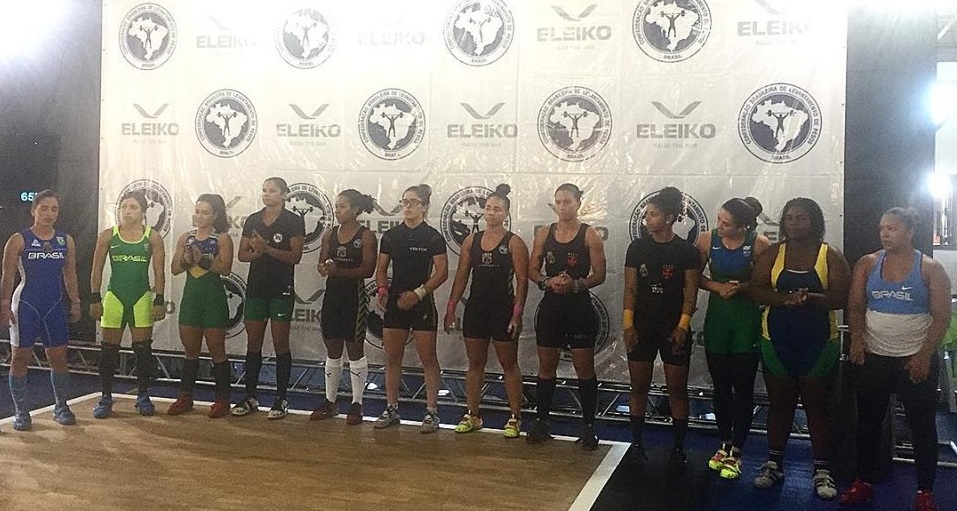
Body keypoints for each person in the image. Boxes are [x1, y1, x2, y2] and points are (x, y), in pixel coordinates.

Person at [840, 208, 950, 511]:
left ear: (910, 232)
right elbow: (855, 305)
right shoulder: (868, 263)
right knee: (868, 423)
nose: (885, 234)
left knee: (922, 427)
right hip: (875, 357)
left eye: (892, 229)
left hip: (913, 359)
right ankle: (863, 481)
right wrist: (857, 340)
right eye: (882, 228)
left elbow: (942, 316)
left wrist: (924, 355)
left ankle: (925, 491)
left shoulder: (929, 269)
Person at [748, 197, 850, 499]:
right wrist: (785, 299)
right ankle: (774, 464)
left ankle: (822, 470)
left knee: (817, 408)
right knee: (780, 405)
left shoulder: (830, 255)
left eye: (801, 218)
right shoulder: (773, 253)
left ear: (814, 222)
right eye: (789, 217)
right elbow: (756, 290)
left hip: (819, 343)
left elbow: (841, 298)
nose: (794, 223)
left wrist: (810, 299)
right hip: (776, 341)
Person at [623, 187, 701, 469]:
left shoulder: (687, 251)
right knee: (639, 386)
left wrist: (683, 326)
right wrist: (628, 325)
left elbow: (691, 293)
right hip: (642, 326)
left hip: (673, 327)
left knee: (677, 390)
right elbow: (631, 289)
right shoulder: (637, 248)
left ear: (668, 218)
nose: (647, 219)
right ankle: (636, 444)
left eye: (653, 215)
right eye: (646, 215)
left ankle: (678, 448)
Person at [443, 184, 529, 438]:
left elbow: (522, 281)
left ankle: (515, 417)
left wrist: (517, 313)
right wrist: (451, 307)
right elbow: (461, 276)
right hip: (476, 309)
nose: (491, 213)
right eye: (488, 208)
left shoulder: (514, 243)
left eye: (497, 209)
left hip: (503, 310)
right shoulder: (472, 241)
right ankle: (473, 414)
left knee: (509, 364)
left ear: (506, 213)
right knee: (474, 363)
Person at [527, 183, 606, 449]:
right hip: (551, 307)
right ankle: (542, 422)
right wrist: (546, 281)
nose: (562, 207)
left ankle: (588, 427)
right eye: (559, 202)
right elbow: (532, 270)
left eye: (568, 202)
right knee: (546, 366)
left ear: (578, 204)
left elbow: (600, 274)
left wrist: (575, 285)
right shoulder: (544, 233)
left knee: (584, 368)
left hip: (579, 308)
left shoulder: (589, 234)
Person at [696, 197, 771, 479]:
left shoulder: (759, 244)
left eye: (726, 223)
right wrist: (716, 286)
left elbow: (768, 283)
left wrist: (744, 287)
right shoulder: (707, 239)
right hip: (718, 320)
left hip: (745, 321)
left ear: (742, 227)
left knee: (743, 388)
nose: (720, 226)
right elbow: (694, 276)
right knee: (720, 386)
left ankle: (737, 451)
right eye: (719, 219)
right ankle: (724, 444)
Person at [1, 190, 81, 430]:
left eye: (54, 209)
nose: (49, 213)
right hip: (26, 305)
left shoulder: (65, 240)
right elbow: (8, 275)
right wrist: (4, 304)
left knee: (58, 357)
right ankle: (21, 412)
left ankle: (61, 407)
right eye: (44, 208)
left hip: (54, 305)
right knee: (20, 357)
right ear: (33, 210)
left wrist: (76, 301)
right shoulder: (19, 239)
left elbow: (70, 273)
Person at [373, 184, 448, 433]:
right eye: (404, 202)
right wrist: (382, 290)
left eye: (413, 202)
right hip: (396, 303)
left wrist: (418, 294)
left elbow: (442, 272)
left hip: (422, 303)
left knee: (428, 358)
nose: (407, 206)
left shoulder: (433, 237)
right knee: (392, 357)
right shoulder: (391, 236)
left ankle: (432, 411)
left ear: (424, 206)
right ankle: (391, 407)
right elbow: (381, 268)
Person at [88, 190, 167, 418]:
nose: (127, 211)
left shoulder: (152, 237)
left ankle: (143, 396)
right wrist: (95, 298)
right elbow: (96, 269)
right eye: (124, 207)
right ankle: (105, 397)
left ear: (143, 212)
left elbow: (159, 272)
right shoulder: (108, 235)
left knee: (143, 350)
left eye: (133, 207)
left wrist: (159, 300)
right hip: (115, 298)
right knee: (108, 350)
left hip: (141, 298)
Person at [232, 177, 305, 420]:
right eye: (264, 190)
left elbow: (295, 256)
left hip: (281, 288)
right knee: (253, 342)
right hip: (256, 288)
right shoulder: (253, 219)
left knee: (280, 343)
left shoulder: (293, 220)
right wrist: (256, 251)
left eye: (272, 191)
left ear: (284, 194)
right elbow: (242, 255)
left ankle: (281, 398)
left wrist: (267, 249)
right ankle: (250, 396)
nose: (266, 194)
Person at [310, 189, 378, 426]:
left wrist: (338, 271)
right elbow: (321, 263)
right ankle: (330, 401)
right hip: (333, 296)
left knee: (355, 348)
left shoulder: (366, 236)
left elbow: (368, 270)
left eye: (342, 206)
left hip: (354, 297)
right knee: (332, 347)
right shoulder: (330, 234)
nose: (337, 210)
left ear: (355, 210)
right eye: (336, 206)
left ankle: (357, 403)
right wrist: (324, 268)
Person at [166, 194, 235, 418]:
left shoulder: (222, 238)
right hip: (191, 300)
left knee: (217, 350)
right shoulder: (186, 237)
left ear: (215, 215)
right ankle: (185, 397)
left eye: (205, 212)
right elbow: (175, 269)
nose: (199, 216)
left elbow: (225, 269)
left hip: (213, 300)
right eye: (197, 211)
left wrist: (202, 260)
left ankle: (222, 400)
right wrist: (187, 260)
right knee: (190, 351)